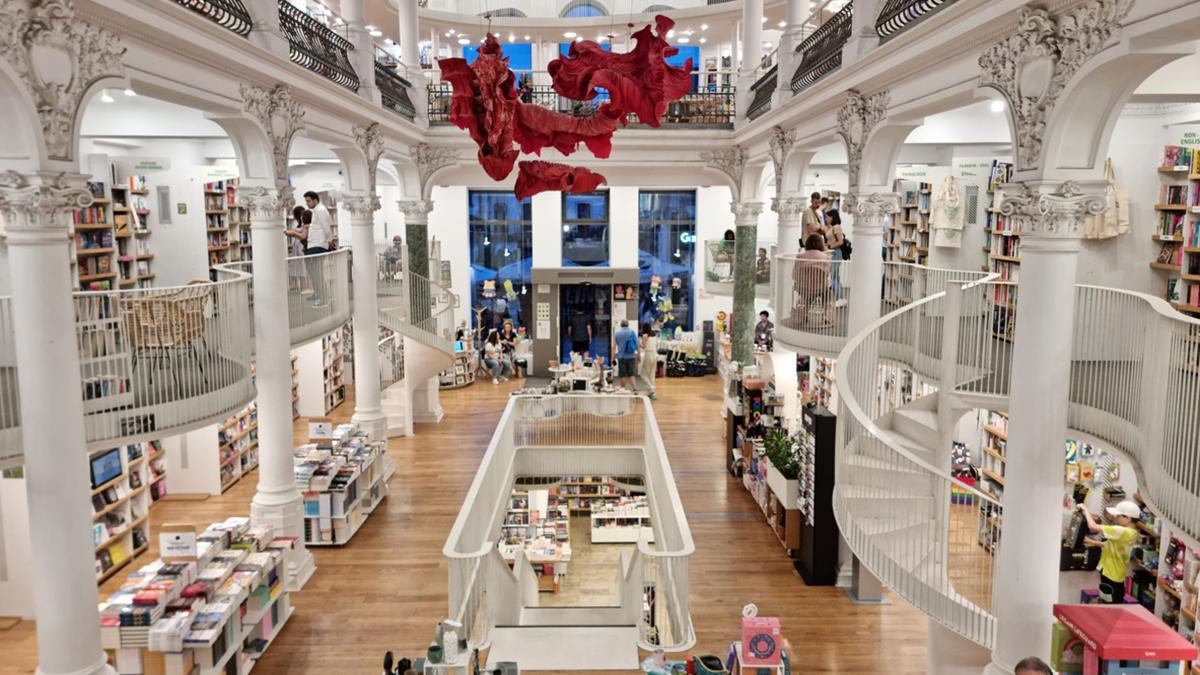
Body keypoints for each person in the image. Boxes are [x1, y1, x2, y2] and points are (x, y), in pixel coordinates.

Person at [1077, 500, 1141, 604]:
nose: (1115, 518)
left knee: (1110, 606)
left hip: (1111, 575)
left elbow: (1093, 527)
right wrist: (1092, 542)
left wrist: (1085, 509)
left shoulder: (1121, 531)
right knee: (1110, 603)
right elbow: (1110, 545)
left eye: (1118, 516)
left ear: (1128, 518)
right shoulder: (1132, 533)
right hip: (1113, 574)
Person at [301, 190, 335, 307]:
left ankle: (323, 299)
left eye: (309, 201)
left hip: (318, 245)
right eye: (306, 201)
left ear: (316, 200)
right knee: (316, 273)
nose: (307, 203)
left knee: (316, 274)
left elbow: (326, 227)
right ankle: (324, 297)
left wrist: (329, 240)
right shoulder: (317, 210)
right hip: (315, 244)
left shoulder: (320, 210)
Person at [792, 234, 833, 327]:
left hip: (804, 287)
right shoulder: (825, 257)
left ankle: (802, 315)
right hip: (820, 287)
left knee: (806, 296)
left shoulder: (800, 256)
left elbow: (794, 274)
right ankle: (827, 316)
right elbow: (827, 273)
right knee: (828, 295)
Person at [825, 209, 848, 307]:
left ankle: (841, 299)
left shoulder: (837, 227)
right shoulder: (832, 227)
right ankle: (841, 298)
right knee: (835, 277)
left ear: (832, 217)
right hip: (831, 253)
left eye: (827, 217)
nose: (826, 219)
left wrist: (830, 246)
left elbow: (840, 242)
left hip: (836, 253)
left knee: (832, 277)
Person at [613, 319, 640, 393]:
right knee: (631, 374)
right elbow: (637, 345)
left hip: (621, 357)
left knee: (622, 374)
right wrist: (638, 355)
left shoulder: (618, 334)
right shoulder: (632, 332)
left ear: (621, 325)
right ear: (628, 324)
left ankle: (623, 389)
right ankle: (635, 389)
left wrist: (613, 358)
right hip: (631, 356)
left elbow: (614, 347)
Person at [639, 322, 659, 400]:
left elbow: (643, 347)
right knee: (651, 375)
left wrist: (639, 343)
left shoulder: (645, 336)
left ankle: (651, 389)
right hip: (655, 354)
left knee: (643, 374)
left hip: (648, 354)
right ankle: (652, 394)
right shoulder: (654, 335)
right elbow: (656, 345)